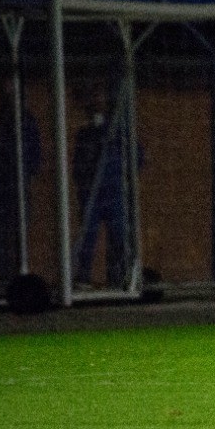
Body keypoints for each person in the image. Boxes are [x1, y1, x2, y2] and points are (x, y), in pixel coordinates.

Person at [72, 78, 139, 290]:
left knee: (119, 237)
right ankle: (82, 277)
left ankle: (118, 277)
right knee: (87, 237)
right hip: (92, 195)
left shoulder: (119, 133)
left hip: (114, 193)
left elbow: (138, 159)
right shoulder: (85, 135)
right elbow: (78, 167)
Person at [0, 76, 41, 288]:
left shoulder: (27, 121)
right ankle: (0, 272)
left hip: (16, 186)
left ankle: (14, 274)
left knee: (15, 231)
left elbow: (34, 158)